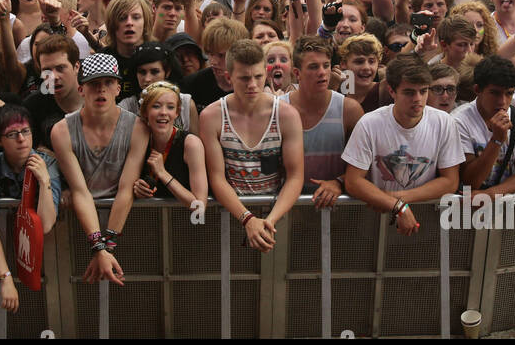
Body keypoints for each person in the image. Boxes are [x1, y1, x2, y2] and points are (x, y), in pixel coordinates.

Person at [49, 54, 150, 284]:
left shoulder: (137, 127)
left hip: (126, 222)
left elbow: (126, 189)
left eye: (108, 83)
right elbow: (79, 191)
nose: (101, 90)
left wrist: (107, 248)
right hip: (80, 226)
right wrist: (98, 246)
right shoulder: (62, 131)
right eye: (94, 84)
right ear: (81, 89)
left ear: (117, 88)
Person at [199, 39, 305, 252]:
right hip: (229, 215)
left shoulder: (286, 114)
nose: (252, 85)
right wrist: (247, 218)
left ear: (266, 72)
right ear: (229, 77)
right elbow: (216, 177)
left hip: (276, 216)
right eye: (244, 78)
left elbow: (295, 175)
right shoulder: (211, 116)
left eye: (258, 77)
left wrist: (270, 220)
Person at [342, 54, 463, 235]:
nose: (418, 98)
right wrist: (397, 206)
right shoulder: (369, 123)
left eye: (423, 91)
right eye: (409, 92)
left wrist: (398, 200)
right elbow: (353, 181)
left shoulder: (444, 122)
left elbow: (450, 181)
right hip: (373, 226)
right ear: (392, 91)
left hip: (423, 223)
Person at [0, 105, 61, 313]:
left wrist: (44, 182)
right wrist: (5, 278)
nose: (22, 139)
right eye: (12, 134)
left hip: (45, 252)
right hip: (1, 251)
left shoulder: (47, 163)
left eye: (25, 132)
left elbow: (47, 224)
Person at [280, 36, 362, 208]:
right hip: (288, 208)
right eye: (313, 67)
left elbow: (365, 165)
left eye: (326, 65)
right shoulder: (279, 109)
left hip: (337, 208)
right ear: (297, 73)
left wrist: (338, 182)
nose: (322, 72)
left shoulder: (349, 110)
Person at [454, 56, 515, 196]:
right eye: (495, 93)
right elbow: (469, 181)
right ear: (477, 89)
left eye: (509, 93)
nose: (502, 102)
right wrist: (497, 140)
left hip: (503, 206)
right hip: (464, 209)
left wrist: (492, 194)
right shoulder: (460, 122)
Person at [130, 81, 207, 206]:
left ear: (177, 112)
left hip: (188, 222)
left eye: (170, 107)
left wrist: (162, 173)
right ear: (144, 111)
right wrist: (138, 190)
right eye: (156, 106)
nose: (163, 112)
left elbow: (199, 205)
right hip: (148, 220)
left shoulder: (191, 144)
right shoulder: (139, 141)